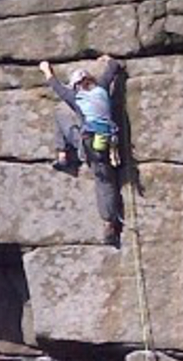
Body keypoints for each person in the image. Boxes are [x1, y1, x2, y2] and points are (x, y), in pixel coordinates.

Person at [41, 56, 124, 246]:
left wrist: (46, 70)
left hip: (88, 145)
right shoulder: (102, 88)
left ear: (77, 85)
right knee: (106, 181)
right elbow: (113, 68)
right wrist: (108, 59)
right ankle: (109, 222)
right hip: (108, 143)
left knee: (60, 113)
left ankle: (62, 155)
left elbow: (56, 87)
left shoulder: (76, 98)